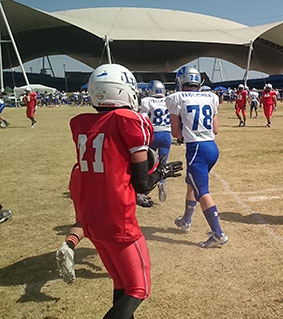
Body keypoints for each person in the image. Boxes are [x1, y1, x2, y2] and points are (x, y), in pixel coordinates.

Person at [68, 63, 182, 318]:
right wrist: (160, 173)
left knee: (121, 285)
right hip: (117, 219)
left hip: (91, 219)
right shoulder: (128, 121)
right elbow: (142, 184)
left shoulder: (81, 124)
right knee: (139, 289)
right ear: (124, 91)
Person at [167, 65, 229, 248]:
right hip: (212, 148)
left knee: (202, 191)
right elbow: (216, 129)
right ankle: (186, 220)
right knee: (191, 184)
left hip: (196, 150)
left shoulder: (176, 98)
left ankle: (218, 233)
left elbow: (175, 133)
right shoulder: (211, 96)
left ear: (181, 80)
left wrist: (185, 134)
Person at [140, 80, 171, 202]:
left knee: (148, 162)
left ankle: (144, 189)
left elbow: (144, 118)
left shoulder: (147, 101)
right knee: (163, 162)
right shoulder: (169, 100)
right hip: (166, 135)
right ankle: (161, 182)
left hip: (153, 134)